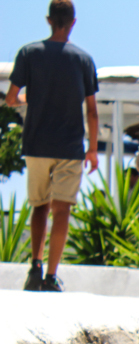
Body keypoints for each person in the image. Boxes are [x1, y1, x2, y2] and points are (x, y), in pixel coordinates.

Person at [4, 0, 98, 292]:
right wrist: (92, 149)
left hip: (36, 144)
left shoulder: (29, 53)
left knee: (39, 207)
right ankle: (52, 275)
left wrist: (25, 101)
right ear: (73, 21)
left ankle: (34, 267)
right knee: (63, 209)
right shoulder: (83, 59)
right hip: (70, 146)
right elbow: (92, 111)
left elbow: (11, 98)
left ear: (48, 20)